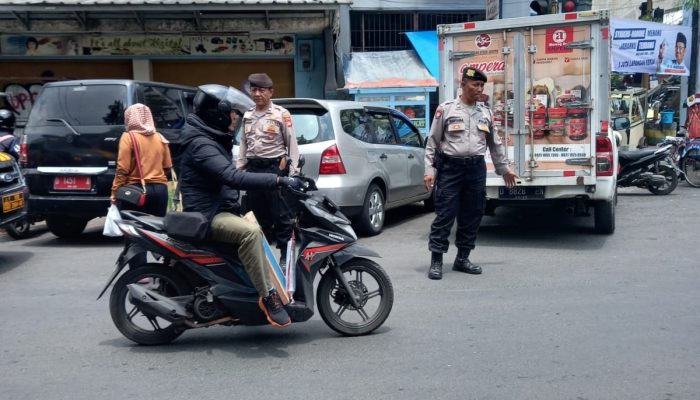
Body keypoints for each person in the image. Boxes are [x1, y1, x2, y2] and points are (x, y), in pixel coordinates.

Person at [179, 84, 303, 328]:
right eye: (232, 113)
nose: (235, 118)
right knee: (251, 233)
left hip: (218, 207)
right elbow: (232, 176)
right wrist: (277, 180)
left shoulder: (209, 137)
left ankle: (247, 287)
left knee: (258, 226)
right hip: (208, 213)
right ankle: (268, 298)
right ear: (217, 114)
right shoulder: (201, 144)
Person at [423, 67, 518, 280]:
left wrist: (504, 170)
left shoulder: (485, 112)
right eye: (476, 85)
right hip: (450, 169)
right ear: (463, 84)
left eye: (482, 85)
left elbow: (495, 144)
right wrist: (430, 171)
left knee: (473, 215)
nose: (480, 89)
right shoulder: (446, 110)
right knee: (445, 214)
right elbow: (432, 142)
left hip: (476, 169)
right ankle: (436, 260)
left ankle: (462, 258)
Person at [237, 73, 300, 266]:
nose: (257, 94)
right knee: (256, 217)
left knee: (281, 216)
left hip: (274, 169)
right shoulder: (247, 115)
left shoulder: (281, 114)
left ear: (270, 92)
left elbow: (292, 145)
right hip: (254, 171)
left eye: (261, 90)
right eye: (253, 90)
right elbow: (243, 145)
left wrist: (293, 174)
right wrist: (238, 172)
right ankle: (261, 258)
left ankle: (284, 257)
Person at [111, 104, 172, 266]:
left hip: (136, 192)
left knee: (134, 233)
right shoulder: (160, 137)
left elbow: (122, 169)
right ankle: (166, 270)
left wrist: (114, 191)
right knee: (158, 233)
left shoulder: (128, 137)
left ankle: (139, 272)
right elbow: (167, 166)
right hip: (160, 190)